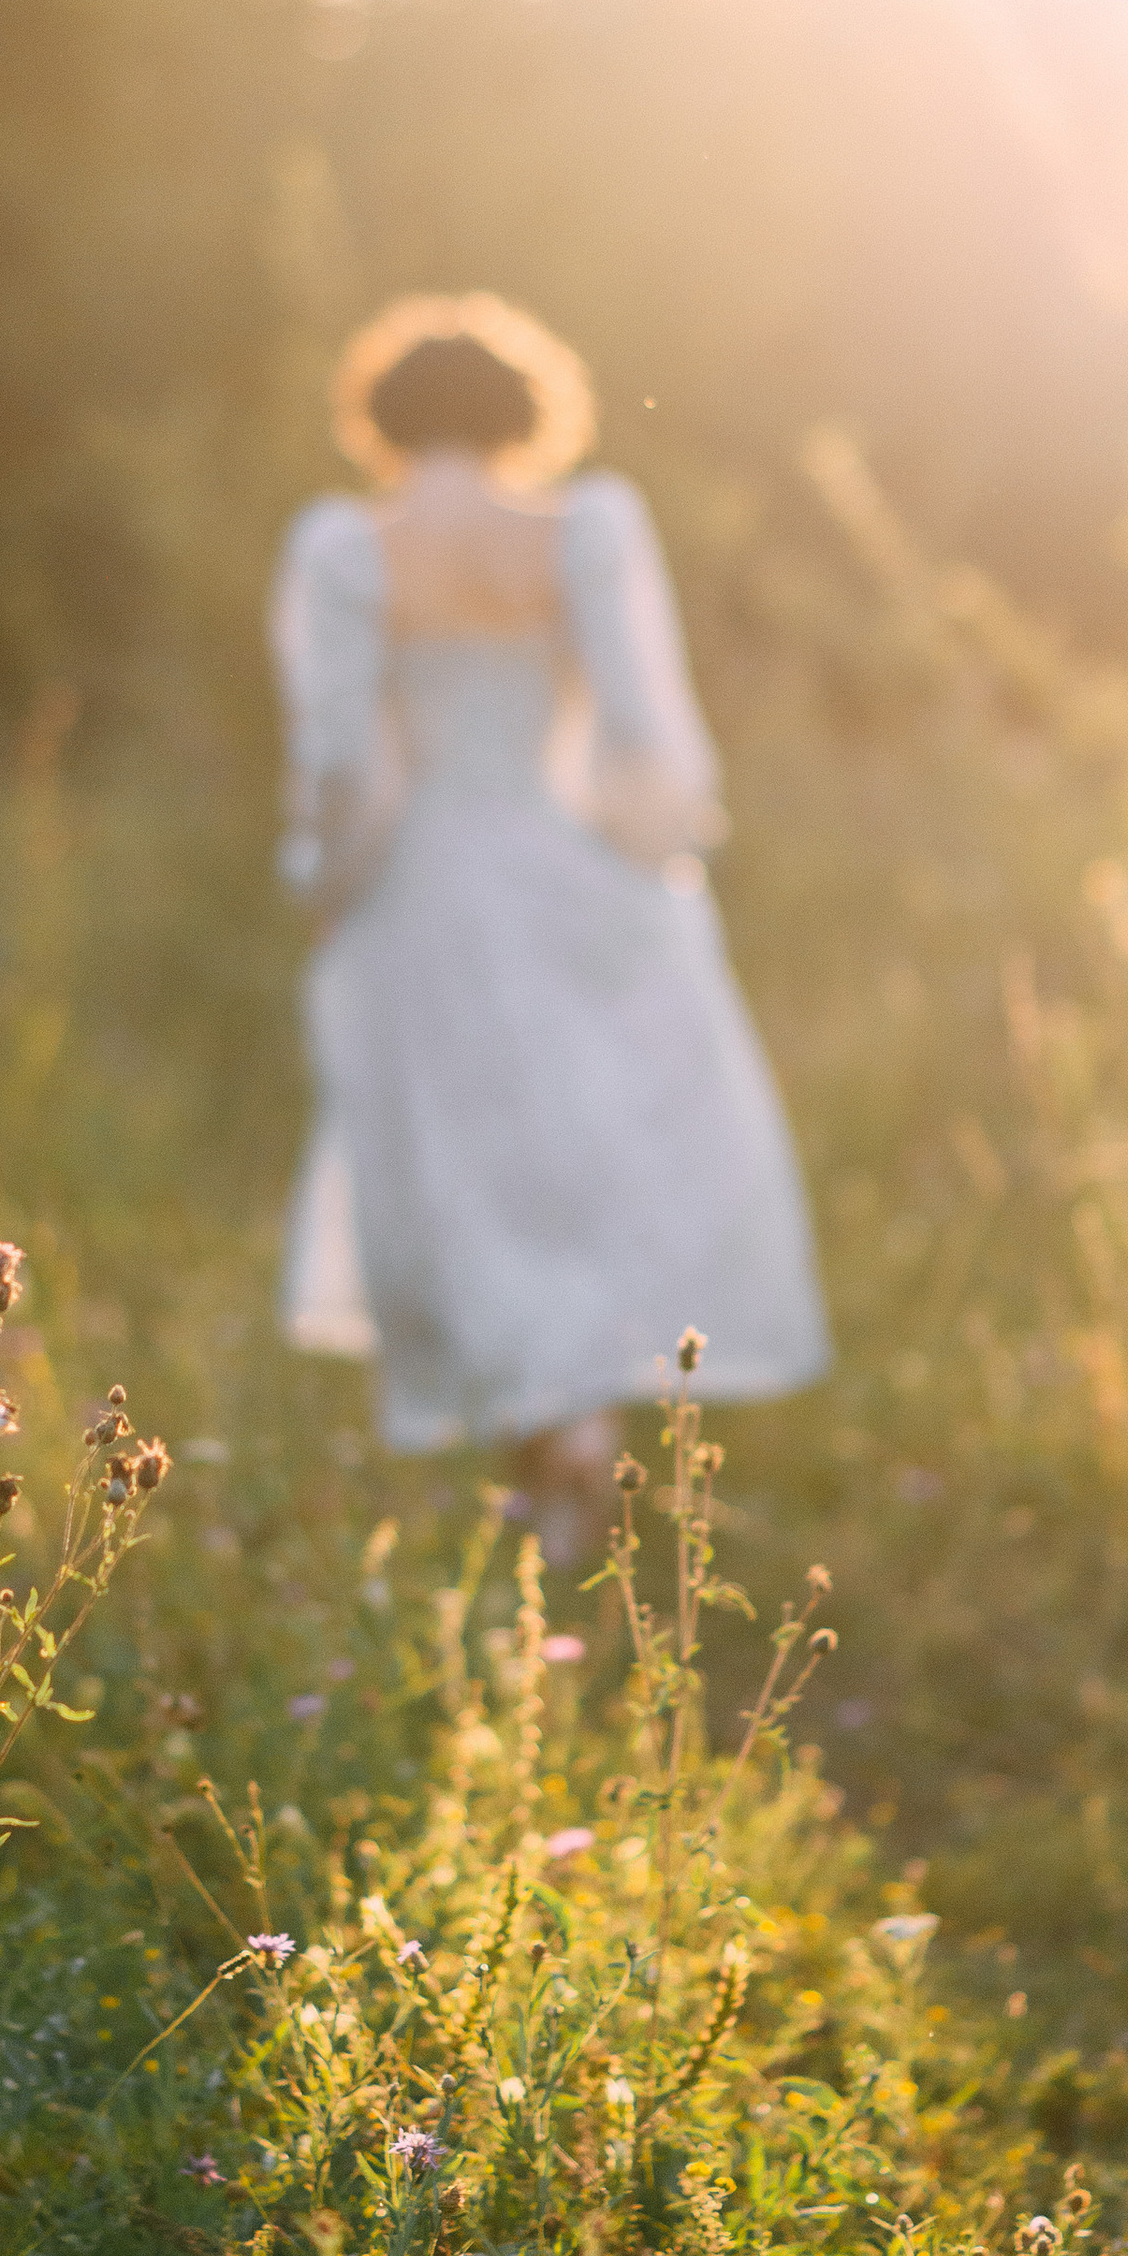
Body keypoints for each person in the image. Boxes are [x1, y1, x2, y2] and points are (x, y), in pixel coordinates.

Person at [271, 290, 830, 1550]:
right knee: (583, 1153)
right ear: (524, 412)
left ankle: (544, 1429)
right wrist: (649, 861)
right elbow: (641, 729)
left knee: (462, 1164)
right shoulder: (583, 529)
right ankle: (578, 1420)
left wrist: (326, 884)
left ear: (382, 417)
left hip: (422, 887)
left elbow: (343, 764)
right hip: (556, 864)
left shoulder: (347, 549)